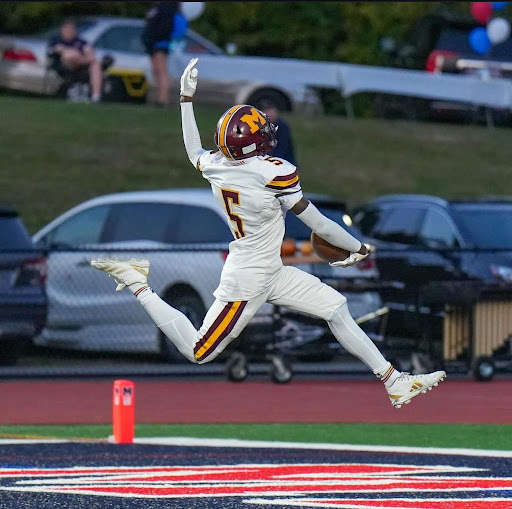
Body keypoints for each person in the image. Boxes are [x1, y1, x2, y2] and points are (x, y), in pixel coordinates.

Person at [91, 58, 446, 409]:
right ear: (249, 145)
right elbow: (318, 223)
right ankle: (137, 281)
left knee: (336, 309)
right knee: (199, 350)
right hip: (249, 277)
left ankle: (394, 381)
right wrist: (357, 247)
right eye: (260, 132)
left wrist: (186, 100)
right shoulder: (271, 172)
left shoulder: (218, 165)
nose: (267, 134)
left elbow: (193, 150)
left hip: (269, 269)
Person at [48, 19, 102, 103]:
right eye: (66, 29)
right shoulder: (56, 40)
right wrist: (78, 55)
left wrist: (81, 58)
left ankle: (96, 97)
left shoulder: (81, 42)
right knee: (70, 54)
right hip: (64, 65)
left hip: (82, 65)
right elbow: (59, 49)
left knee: (96, 64)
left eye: (71, 29)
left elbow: (91, 54)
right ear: (62, 30)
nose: (68, 31)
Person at [142, 1, 179, 107]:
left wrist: (156, 38)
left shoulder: (166, 7)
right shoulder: (157, 7)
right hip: (153, 44)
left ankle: (164, 98)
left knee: (161, 71)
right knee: (157, 71)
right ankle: (161, 97)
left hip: (160, 43)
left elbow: (164, 26)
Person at [261, 101, 297, 165]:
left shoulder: (282, 127)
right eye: (266, 111)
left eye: (270, 110)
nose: (269, 114)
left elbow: (283, 149)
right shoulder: (262, 127)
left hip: (283, 162)